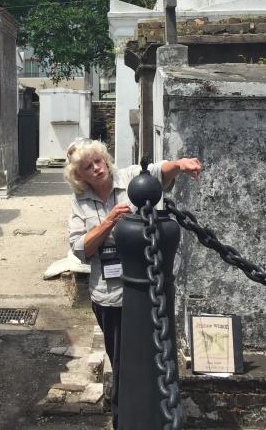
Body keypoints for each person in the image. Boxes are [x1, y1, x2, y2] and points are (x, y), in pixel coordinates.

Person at [65, 139, 202, 429]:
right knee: (122, 363)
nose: (97, 169)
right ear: (80, 176)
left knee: (153, 356)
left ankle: (154, 412)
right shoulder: (80, 202)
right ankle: (123, 418)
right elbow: (80, 248)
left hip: (145, 289)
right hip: (110, 293)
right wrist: (109, 221)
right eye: (88, 167)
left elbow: (157, 173)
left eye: (98, 161)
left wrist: (178, 165)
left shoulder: (127, 179)